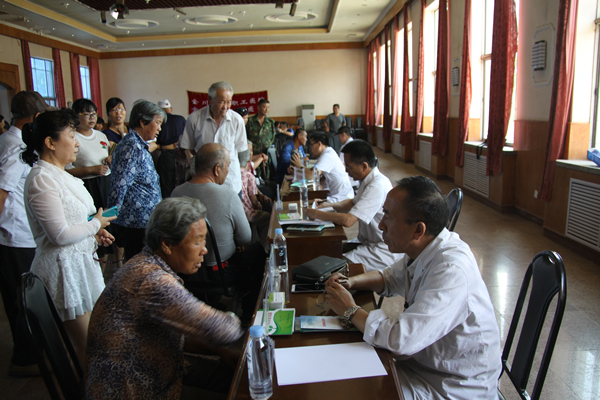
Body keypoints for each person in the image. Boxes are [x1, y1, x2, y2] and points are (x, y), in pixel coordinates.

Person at [324, 176, 502, 400]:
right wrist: (351, 282)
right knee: (348, 370)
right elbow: (389, 278)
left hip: (451, 384)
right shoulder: (425, 247)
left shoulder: (451, 270)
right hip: (423, 364)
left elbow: (401, 339)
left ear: (418, 229)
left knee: (357, 389)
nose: (380, 225)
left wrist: (351, 310)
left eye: (388, 216)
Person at [86, 197, 244, 400]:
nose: (204, 249)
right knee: (243, 386)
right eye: (197, 241)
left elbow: (178, 334)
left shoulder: (145, 262)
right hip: (137, 390)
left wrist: (219, 350)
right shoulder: (152, 281)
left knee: (238, 375)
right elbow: (224, 329)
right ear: (167, 244)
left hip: (161, 369)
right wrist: (240, 322)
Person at [22, 109, 115, 364]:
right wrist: (95, 224)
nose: (77, 143)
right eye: (71, 136)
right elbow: (59, 235)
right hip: (62, 272)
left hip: (79, 266)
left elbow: (75, 221)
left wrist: (94, 233)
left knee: (94, 342)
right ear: (50, 143)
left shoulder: (62, 175)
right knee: (88, 348)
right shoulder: (41, 179)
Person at [171, 143, 265, 322]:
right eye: (228, 166)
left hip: (187, 272)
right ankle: (248, 314)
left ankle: (208, 302)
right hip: (222, 273)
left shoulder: (176, 193)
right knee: (257, 251)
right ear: (217, 169)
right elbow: (245, 238)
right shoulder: (228, 195)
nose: (228, 171)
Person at [0, 91, 51, 376]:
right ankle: (26, 359)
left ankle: (30, 352)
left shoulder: (8, 140)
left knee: (19, 298)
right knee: (24, 299)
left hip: (15, 234)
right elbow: (2, 191)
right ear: (36, 117)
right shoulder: (15, 146)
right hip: (15, 234)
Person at [306, 139, 399, 272]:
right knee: (330, 251)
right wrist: (328, 205)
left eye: (349, 167)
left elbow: (348, 220)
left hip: (382, 248)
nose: (346, 170)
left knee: (334, 268)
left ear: (364, 166)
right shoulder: (368, 179)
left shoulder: (376, 186)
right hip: (368, 241)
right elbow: (352, 202)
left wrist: (316, 214)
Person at [107, 100, 165, 261]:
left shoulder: (140, 145)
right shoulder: (131, 147)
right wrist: (111, 218)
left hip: (144, 221)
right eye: (157, 123)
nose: (159, 128)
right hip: (135, 224)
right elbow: (119, 185)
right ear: (142, 121)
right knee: (138, 267)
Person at [180, 81, 247, 196]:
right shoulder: (195, 119)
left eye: (229, 102)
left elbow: (242, 150)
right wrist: (194, 168)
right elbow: (188, 147)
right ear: (210, 99)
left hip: (230, 181)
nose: (225, 107)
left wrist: (241, 171)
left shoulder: (237, 120)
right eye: (221, 102)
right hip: (203, 182)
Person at [66, 99, 112, 211]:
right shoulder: (72, 137)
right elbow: (66, 169)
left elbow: (109, 154)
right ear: (76, 116)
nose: (92, 118)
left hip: (106, 181)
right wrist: (91, 170)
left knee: (109, 215)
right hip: (87, 184)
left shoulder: (101, 135)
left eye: (94, 114)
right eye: (87, 114)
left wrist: (111, 159)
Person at [240, 141, 271, 253]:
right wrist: (258, 204)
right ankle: (264, 248)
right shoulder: (248, 174)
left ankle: (254, 241)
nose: (250, 153)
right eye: (248, 151)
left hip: (237, 212)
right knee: (268, 217)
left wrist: (260, 195)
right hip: (246, 213)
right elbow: (254, 202)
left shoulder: (232, 173)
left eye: (251, 151)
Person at [308, 132, 354, 203]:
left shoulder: (327, 155)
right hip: (337, 196)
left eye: (311, 145)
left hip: (342, 198)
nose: (310, 149)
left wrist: (300, 167)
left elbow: (312, 175)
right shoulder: (326, 153)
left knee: (312, 206)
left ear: (319, 144)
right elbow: (312, 170)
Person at [156, 99, 187, 198]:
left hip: (166, 155)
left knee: (167, 186)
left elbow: (155, 142)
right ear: (171, 109)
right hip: (182, 156)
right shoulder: (181, 119)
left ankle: (168, 206)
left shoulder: (158, 122)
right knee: (182, 184)